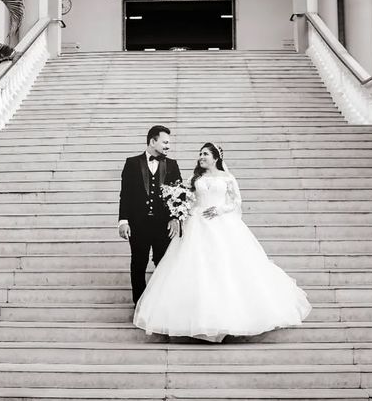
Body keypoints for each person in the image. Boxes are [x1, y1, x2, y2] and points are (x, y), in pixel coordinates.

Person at [133, 142, 312, 342]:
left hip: (220, 222)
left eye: (205, 154)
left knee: (226, 266)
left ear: (216, 157)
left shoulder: (227, 178)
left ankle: (228, 317)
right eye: (200, 153)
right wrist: (180, 206)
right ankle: (195, 317)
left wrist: (220, 210)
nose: (201, 157)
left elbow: (237, 201)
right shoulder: (196, 178)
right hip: (197, 224)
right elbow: (189, 199)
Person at [119, 125, 182, 305]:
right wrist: (123, 221)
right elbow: (126, 194)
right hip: (138, 225)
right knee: (138, 264)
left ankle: (162, 305)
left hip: (163, 226)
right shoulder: (131, 163)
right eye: (165, 142)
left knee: (164, 264)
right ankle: (139, 305)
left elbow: (178, 194)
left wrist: (174, 217)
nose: (168, 146)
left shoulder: (172, 165)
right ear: (153, 141)